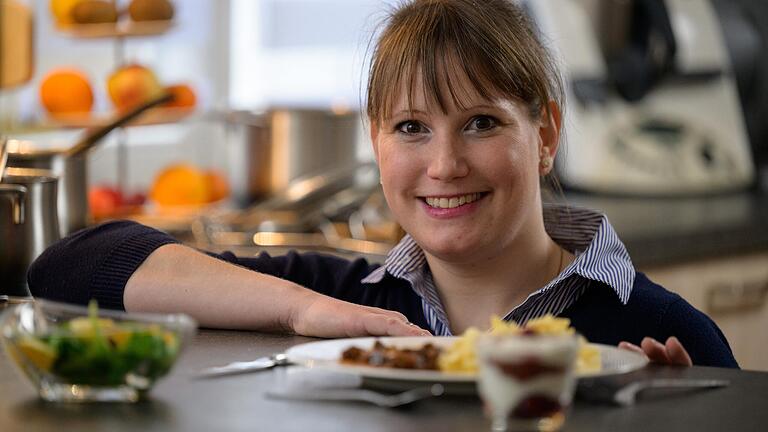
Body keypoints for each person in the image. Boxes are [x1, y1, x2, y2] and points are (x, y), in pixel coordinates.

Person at [28, 0, 736, 368]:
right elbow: (71, 267)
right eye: (410, 128)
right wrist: (306, 314)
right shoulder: (343, 306)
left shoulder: (664, 337)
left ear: (546, 134)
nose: (445, 164)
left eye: (483, 123)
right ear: (375, 139)